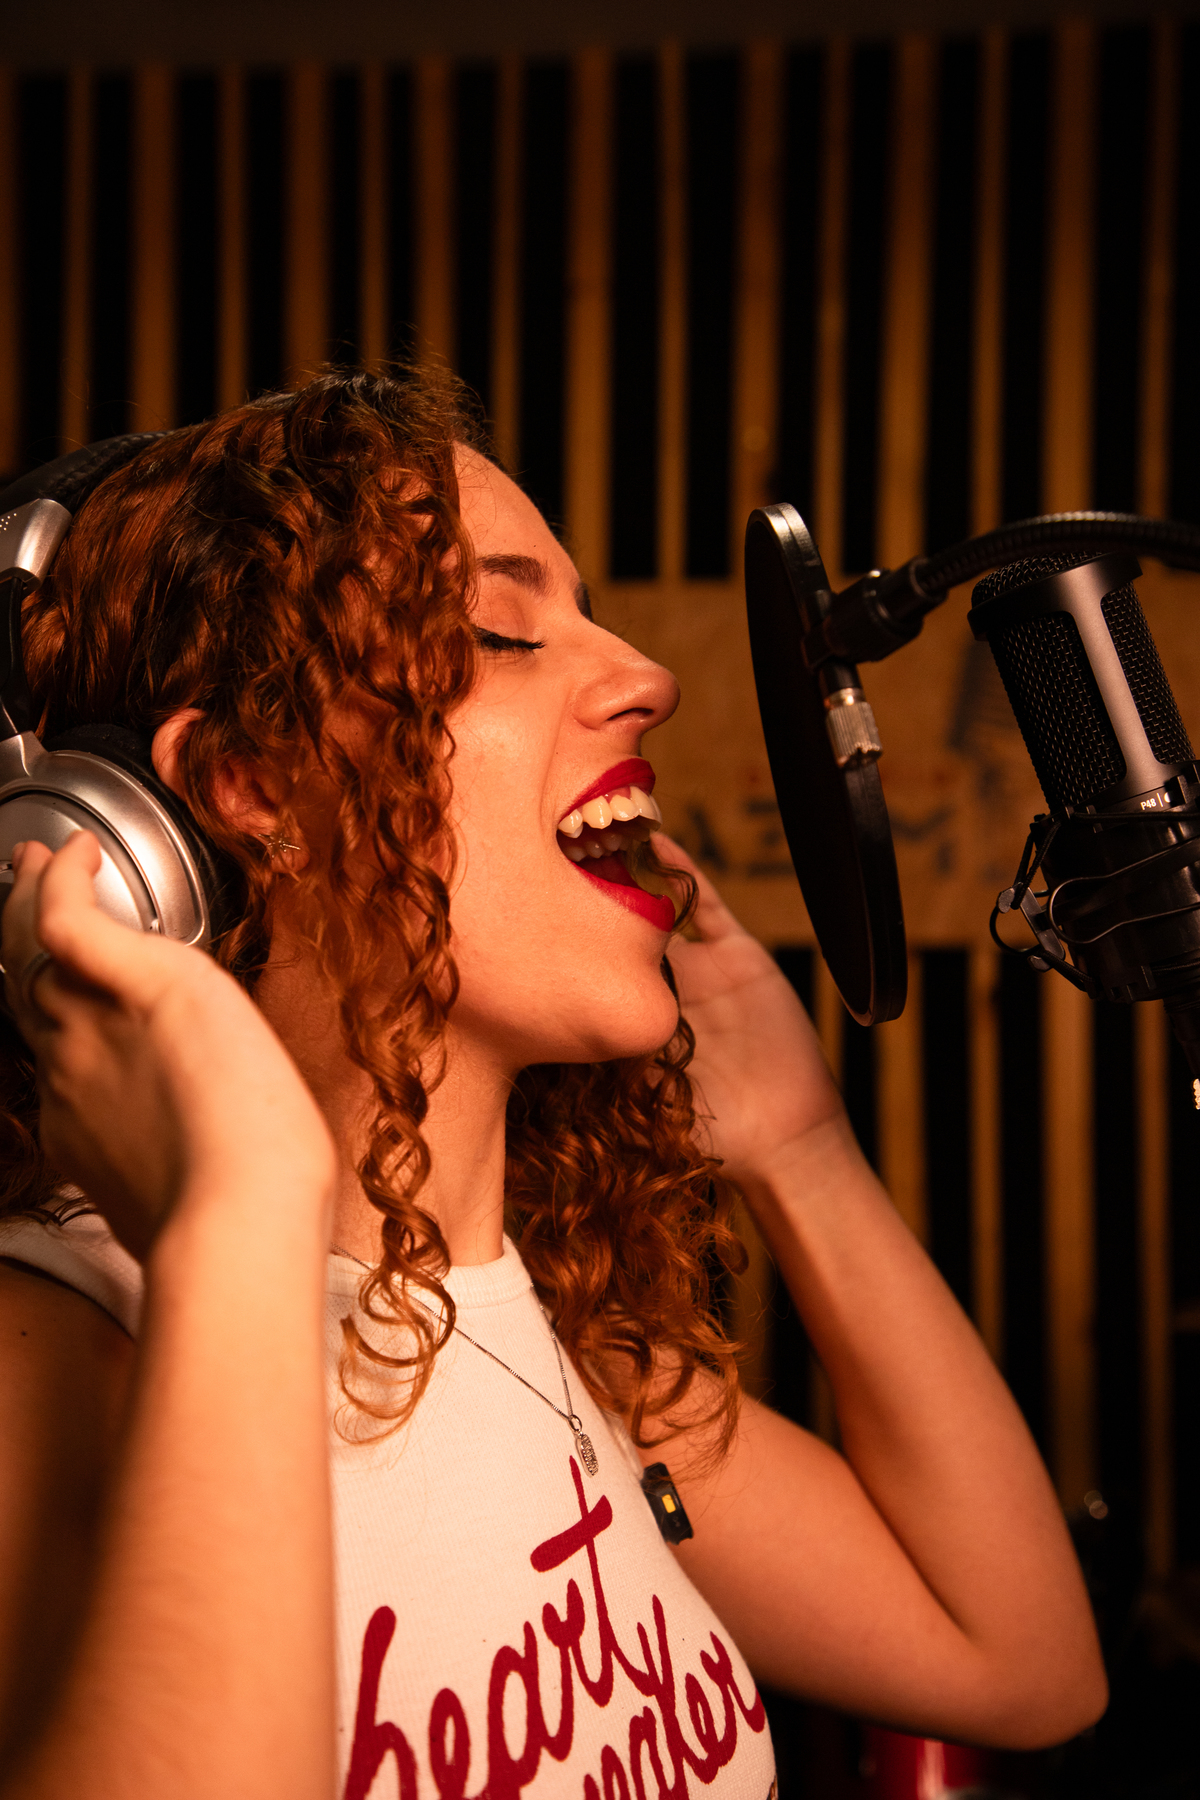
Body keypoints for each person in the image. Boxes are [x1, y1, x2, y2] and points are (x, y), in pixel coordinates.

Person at [0, 369, 1105, 1800]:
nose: (648, 676)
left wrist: (800, 1145)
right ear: (251, 786)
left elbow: (1023, 1664)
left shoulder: (564, 1357)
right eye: (500, 631)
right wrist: (237, 1224)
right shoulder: (55, 1362)